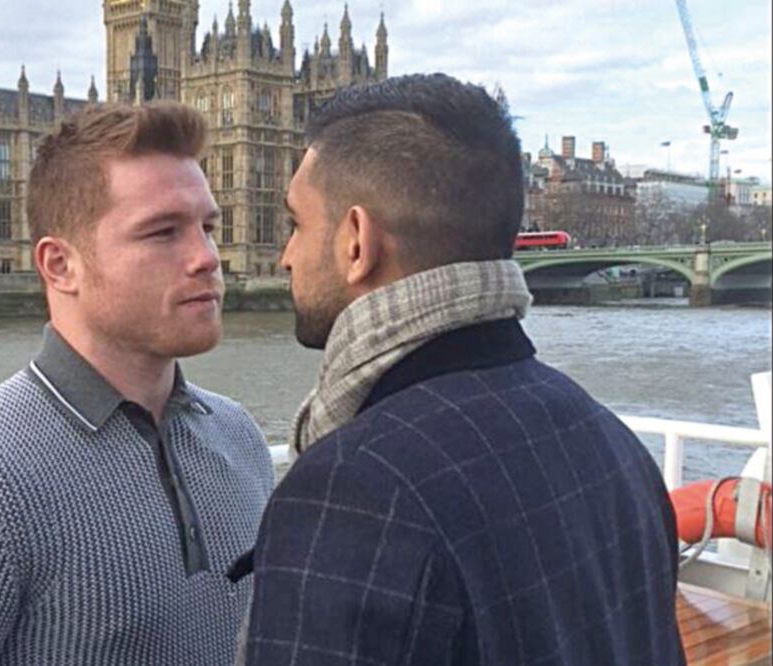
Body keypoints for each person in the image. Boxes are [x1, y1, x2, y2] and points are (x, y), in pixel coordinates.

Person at [240, 74, 683, 665]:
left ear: (355, 241)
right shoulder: (610, 442)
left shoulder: (353, 487)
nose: (284, 256)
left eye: (296, 224)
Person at [0, 102, 274, 665]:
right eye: (162, 232)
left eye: (208, 227)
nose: (206, 258)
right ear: (59, 265)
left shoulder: (240, 436)